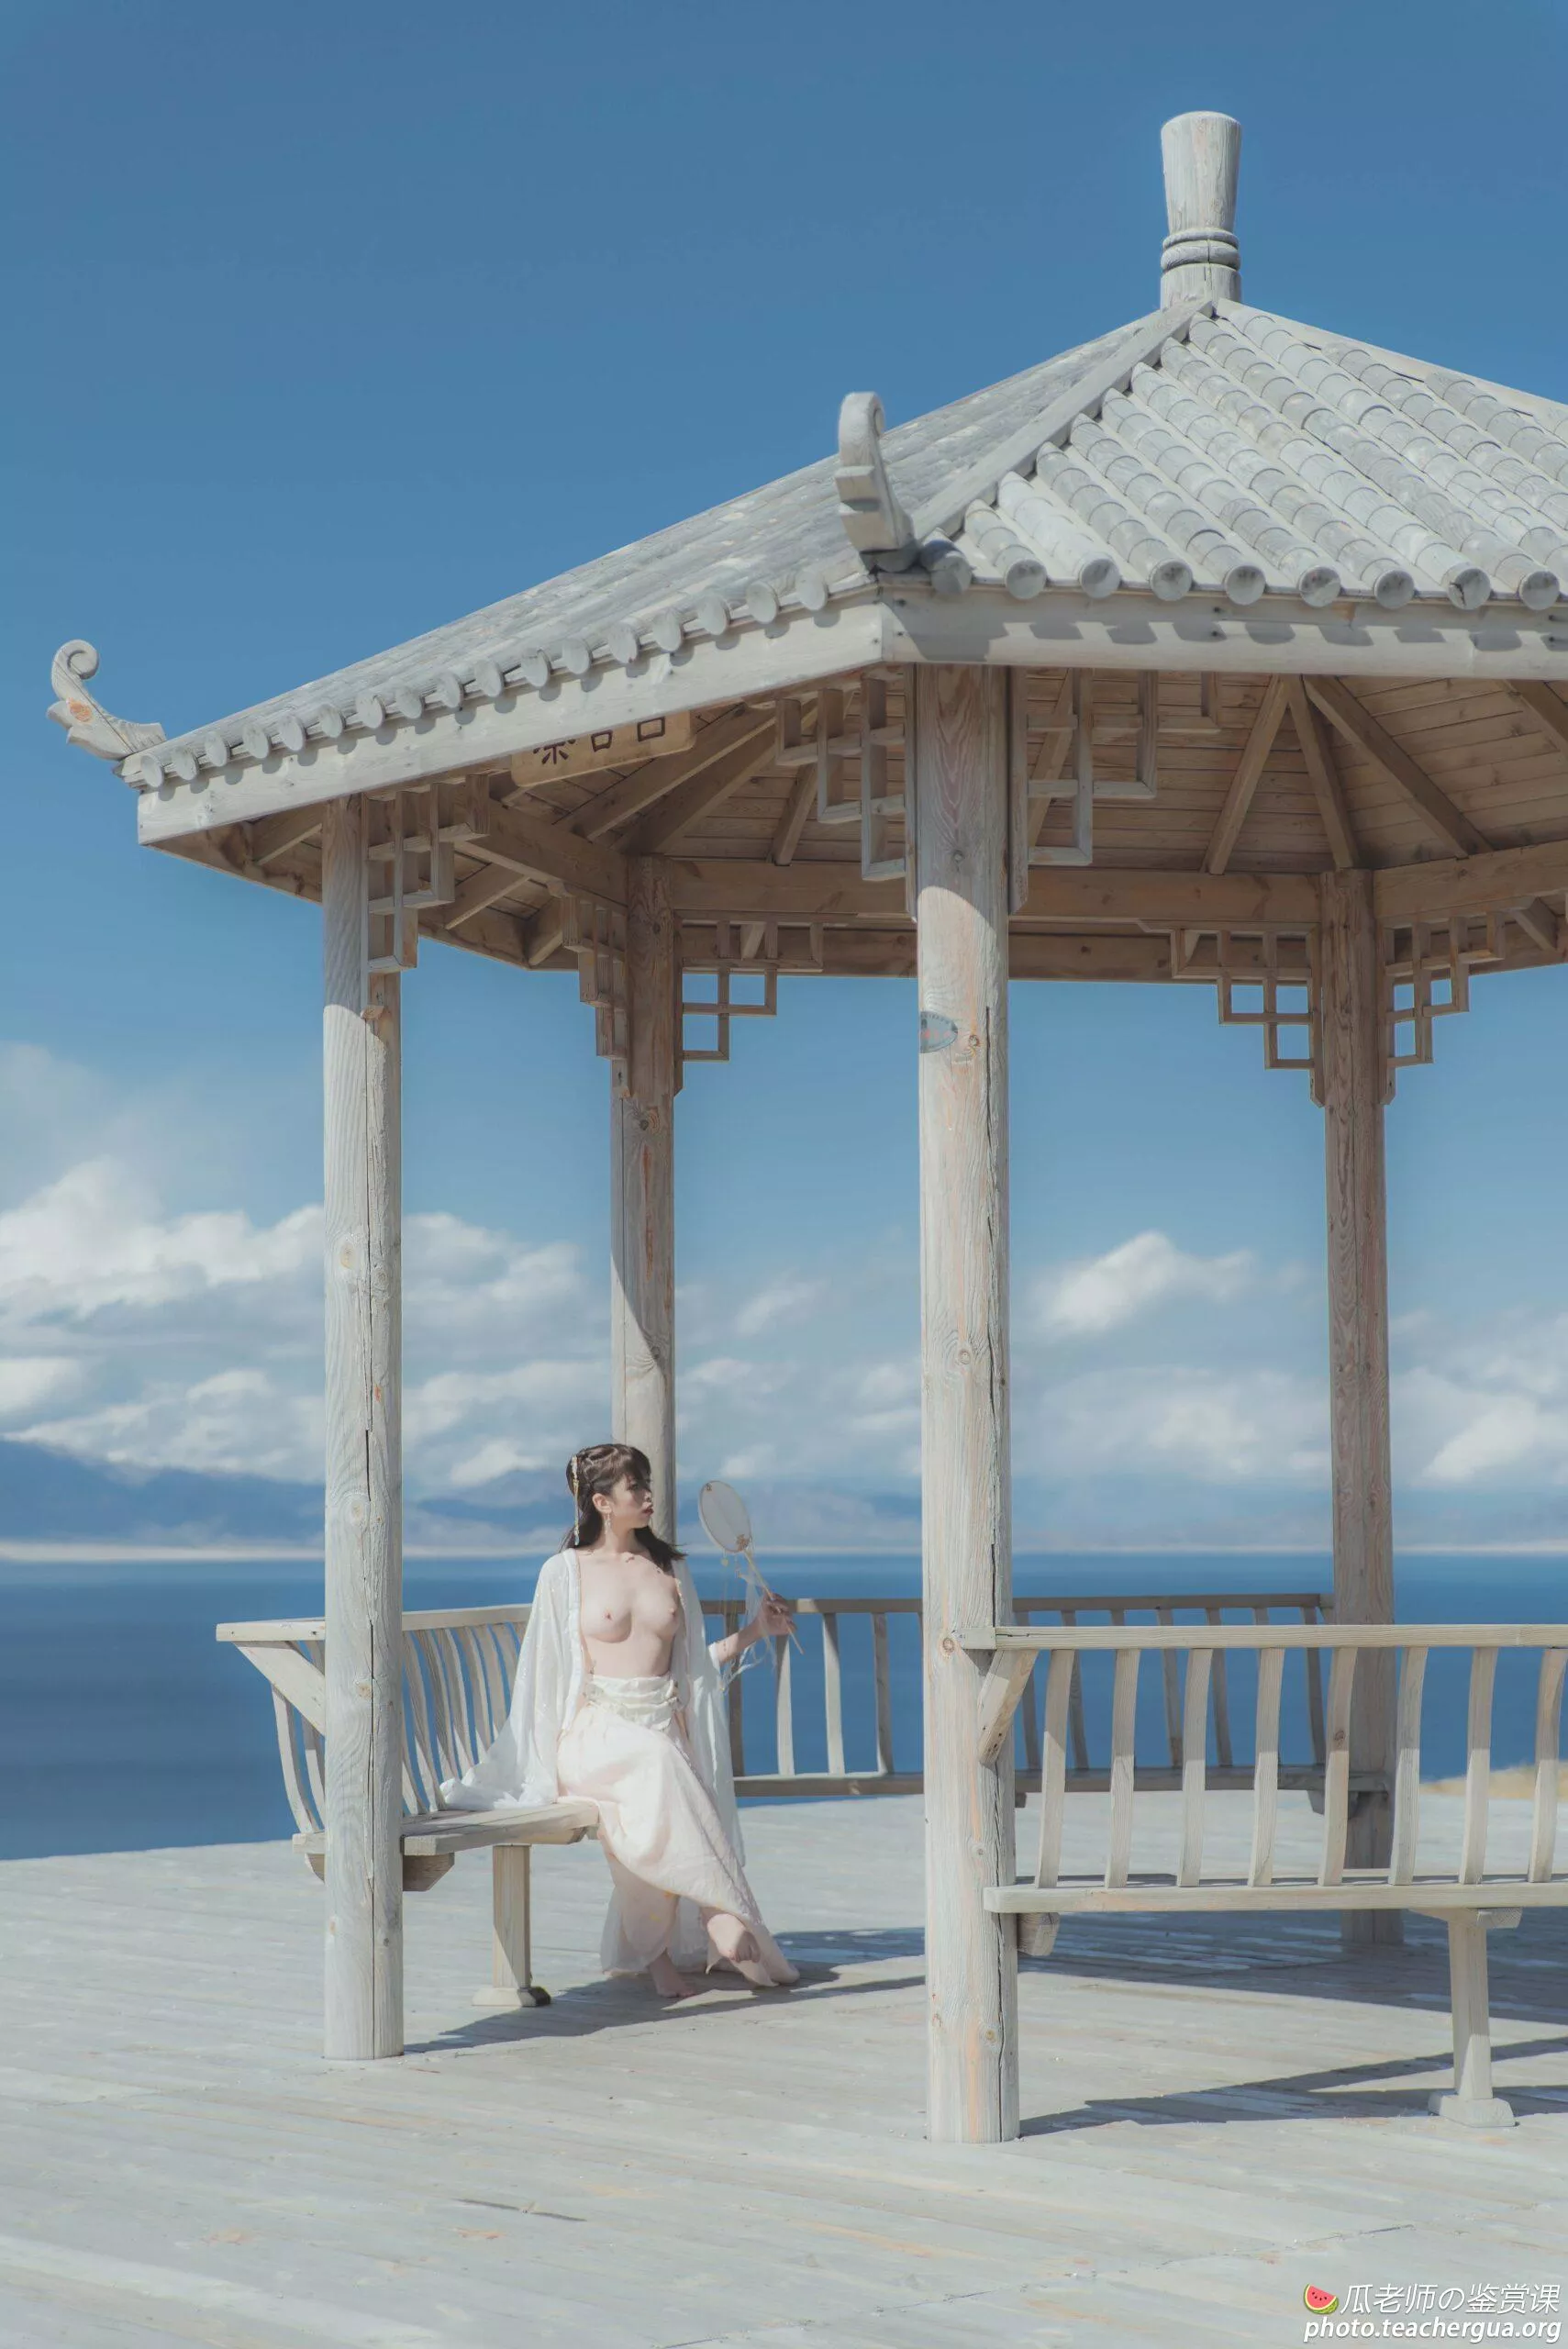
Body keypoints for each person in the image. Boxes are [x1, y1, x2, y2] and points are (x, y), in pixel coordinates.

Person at [440, 1442, 799, 1998]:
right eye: (635, 1486)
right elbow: (543, 1674)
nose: (649, 1495)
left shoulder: (670, 1568)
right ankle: (716, 1908)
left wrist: (756, 1632)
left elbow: (693, 1668)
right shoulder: (564, 1572)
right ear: (602, 1502)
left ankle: (657, 1956)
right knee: (657, 1765)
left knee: (655, 1786)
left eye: (646, 1483)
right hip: (595, 1731)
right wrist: (539, 1761)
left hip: (660, 1727)